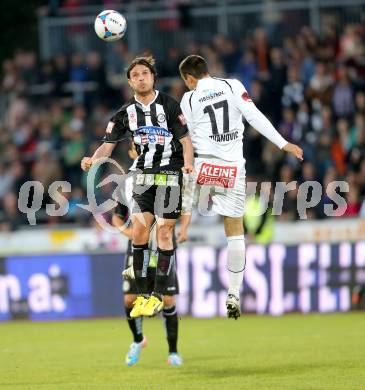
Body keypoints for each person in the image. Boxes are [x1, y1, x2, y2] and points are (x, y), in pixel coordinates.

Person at [179, 55, 303, 319]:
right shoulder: (232, 86)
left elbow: (185, 137)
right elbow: (254, 117)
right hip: (233, 169)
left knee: (165, 209)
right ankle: (234, 291)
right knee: (235, 231)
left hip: (203, 167)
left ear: (189, 79)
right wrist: (284, 144)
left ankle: (150, 270)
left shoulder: (188, 99)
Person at [81, 56, 194, 318]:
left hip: (169, 172)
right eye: (136, 75)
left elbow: (186, 141)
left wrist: (188, 164)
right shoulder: (124, 113)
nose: (141, 77)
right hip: (142, 173)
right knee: (141, 229)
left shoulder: (168, 105)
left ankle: (158, 293)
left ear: (153, 77)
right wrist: (92, 159)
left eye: (146, 73)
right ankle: (145, 296)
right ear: (130, 81)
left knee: (164, 232)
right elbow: (107, 145)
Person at [112, 142, 190, 367]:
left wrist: (183, 229)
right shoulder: (127, 183)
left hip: (162, 243)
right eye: (139, 147)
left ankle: (173, 352)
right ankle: (138, 340)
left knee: (167, 298)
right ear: (132, 152)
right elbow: (117, 216)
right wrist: (128, 232)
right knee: (129, 298)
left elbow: (184, 206)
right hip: (138, 245)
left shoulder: (168, 174)